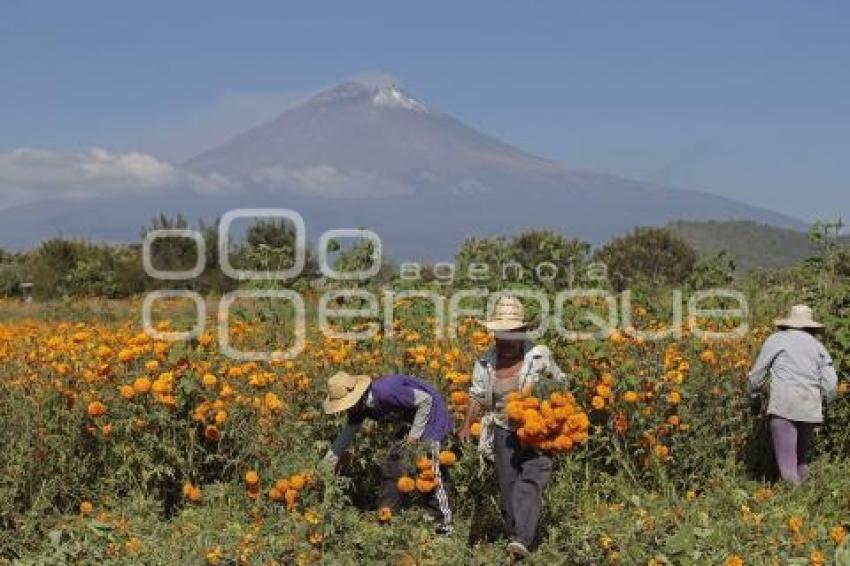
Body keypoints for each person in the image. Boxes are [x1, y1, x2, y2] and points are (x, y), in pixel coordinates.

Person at [459, 295, 567, 559]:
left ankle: (522, 540)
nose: (506, 340)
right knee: (508, 486)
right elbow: (476, 395)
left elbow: (561, 383)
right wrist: (466, 425)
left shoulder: (539, 355)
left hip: (537, 431)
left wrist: (555, 413)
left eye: (512, 334)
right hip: (502, 429)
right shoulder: (485, 362)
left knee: (531, 479)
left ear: (522, 332)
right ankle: (516, 535)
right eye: (501, 334)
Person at [321, 371, 454, 534]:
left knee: (429, 471)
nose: (346, 409)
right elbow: (346, 435)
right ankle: (388, 518)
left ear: (357, 396)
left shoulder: (385, 392)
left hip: (432, 415)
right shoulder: (359, 406)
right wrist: (326, 465)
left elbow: (426, 400)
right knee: (392, 465)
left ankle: (443, 526)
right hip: (410, 420)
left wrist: (413, 436)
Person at [748, 304, 838, 486]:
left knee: (788, 469)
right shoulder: (818, 346)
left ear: (788, 323)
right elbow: (831, 384)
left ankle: (796, 508)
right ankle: (809, 503)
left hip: (784, 406)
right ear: (810, 327)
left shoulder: (776, 340)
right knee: (801, 461)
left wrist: (753, 400)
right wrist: (824, 402)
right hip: (809, 408)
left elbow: (756, 377)